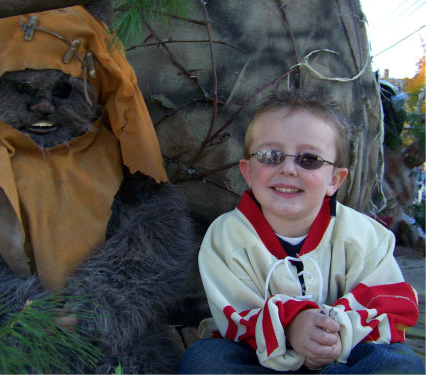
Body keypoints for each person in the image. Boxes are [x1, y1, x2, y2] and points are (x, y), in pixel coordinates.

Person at [179, 90, 424, 374]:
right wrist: (290, 327)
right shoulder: (226, 237)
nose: (288, 169)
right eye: (271, 156)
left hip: (347, 359)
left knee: (401, 363)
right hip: (261, 358)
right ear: (247, 171)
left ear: (334, 179)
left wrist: (337, 334)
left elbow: (394, 305)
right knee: (203, 360)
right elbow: (234, 316)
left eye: (309, 159)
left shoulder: (364, 236)